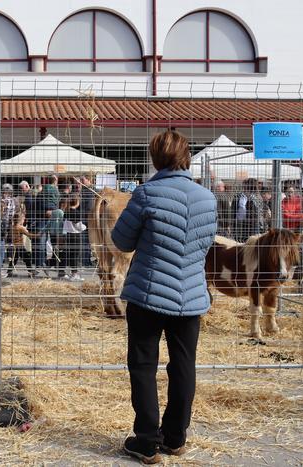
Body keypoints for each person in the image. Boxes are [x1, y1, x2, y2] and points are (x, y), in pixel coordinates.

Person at [111, 130, 217, 464]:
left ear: (156, 158)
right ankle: (175, 437)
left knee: (143, 366)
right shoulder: (207, 198)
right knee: (183, 365)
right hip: (191, 296)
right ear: (186, 156)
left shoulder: (146, 194)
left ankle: (146, 440)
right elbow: (206, 243)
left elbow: (121, 242)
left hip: (148, 293)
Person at [6, 211, 39, 278]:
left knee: (14, 259)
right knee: (27, 258)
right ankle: (30, 271)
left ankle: (9, 271)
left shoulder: (12, 227)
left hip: (14, 246)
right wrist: (37, 235)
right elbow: (29, 234)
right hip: (20, 246)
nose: (24, 220)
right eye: (24, 219)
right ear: (20, 220)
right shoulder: (21, 227)